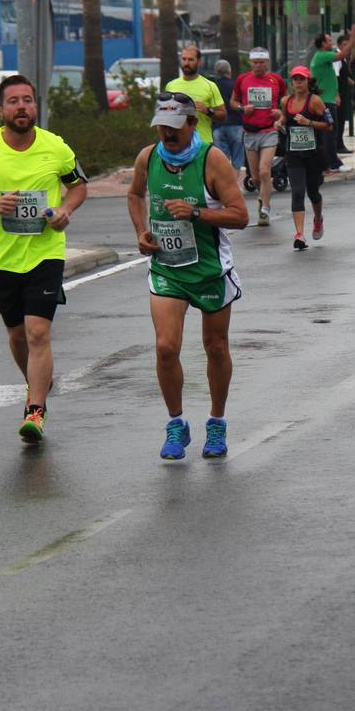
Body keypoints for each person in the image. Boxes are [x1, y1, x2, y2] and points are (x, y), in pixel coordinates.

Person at [0, 74, 88, 443]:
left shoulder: (55, 146)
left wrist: (65, 210)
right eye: (13, 101)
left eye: (27, 100)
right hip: (2, 258)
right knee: (17, 337)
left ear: (35, 105)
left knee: (38, 332)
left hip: (46, 253)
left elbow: (78, 185)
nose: (22, 107)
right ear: (1, 109)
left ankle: (35, 409)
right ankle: (37, 383)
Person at [127, 94, 248, 460]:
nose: (167, 133)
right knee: (166, 347)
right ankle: (176, 424)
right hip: (167, 268)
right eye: (162, 126)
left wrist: (196, 214)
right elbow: (135, 195)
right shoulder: (148, 157)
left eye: (175, 126)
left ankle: (217, 421)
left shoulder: (212, 160)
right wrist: (141, 231)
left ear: (192, 124)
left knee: (215, 347)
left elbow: (240, 216)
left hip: (211, 269)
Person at [231, 48, 286, 227]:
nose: (258, 65)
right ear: (250, 63)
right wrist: (242, 108)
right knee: (255, 176)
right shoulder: (242, 79)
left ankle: (265, 209)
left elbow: (287, 101)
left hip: (269, 131)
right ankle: (262, 198)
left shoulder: (276, 80)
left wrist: (280, 113)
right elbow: (233, 102)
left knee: (264, 171)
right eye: (255, 62)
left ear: (267, 63)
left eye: (261, 62)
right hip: (249, 132)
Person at [278, 66, 331, 250]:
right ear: (291, 82)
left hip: (313, 154)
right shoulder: (286, 101)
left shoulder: (315, 101)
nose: (298, 82)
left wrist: (308, 122)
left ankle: (318, 219)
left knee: (313, 192)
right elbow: (285, 118)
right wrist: (280, 123)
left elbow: (329, 124)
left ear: (308, 81)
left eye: (302, 79)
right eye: (295, 79)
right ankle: (299, 234)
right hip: (294, 153)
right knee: (297, 192)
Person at [312, 27, 355, 170]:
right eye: (328, 40)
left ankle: (330, 162)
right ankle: (332, 163)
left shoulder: (323, 57)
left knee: (331, 132)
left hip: (329, 99)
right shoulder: (322, 55)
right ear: (322, 44)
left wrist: (336, 94)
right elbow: (342, 54)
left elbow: (330, 78)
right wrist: (353, 38)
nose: (331, 42)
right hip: (325, 102)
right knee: (329, 133)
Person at [164, 45, 226, 143]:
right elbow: (164, 113)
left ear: (199, 62)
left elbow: (223, 115)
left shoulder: (210, 86)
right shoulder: (171, 86)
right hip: (177, 143)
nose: (186, 63)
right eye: (184, 59)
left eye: (190, 60)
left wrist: (208, 111)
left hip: (203, 143)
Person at [210, 59, 245, 174]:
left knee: (222, 159)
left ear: (216, 73)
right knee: (237, 158)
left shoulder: (213, 88)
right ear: (229, 72)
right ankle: (234, 185)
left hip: (218, 126)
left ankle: (224, 187)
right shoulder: (235, 86)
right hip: (236, 125)